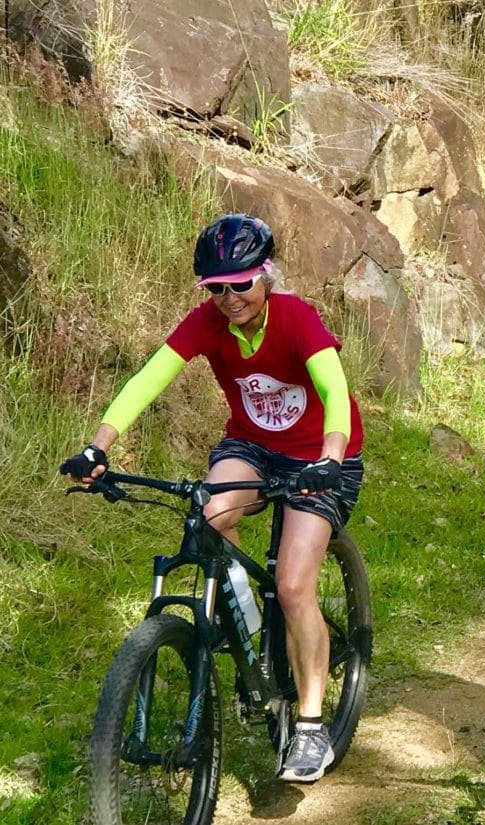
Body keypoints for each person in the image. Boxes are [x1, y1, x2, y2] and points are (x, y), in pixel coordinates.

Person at [60, 213, 365, 782]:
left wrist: (329, 453)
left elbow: (333, 389)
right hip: (252, 445)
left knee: (296, 583)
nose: (229, 298)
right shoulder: (207, 323)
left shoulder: (297, 318)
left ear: (265, 275)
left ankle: (310, 725)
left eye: (241, 284)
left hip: (322, 457)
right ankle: (247, 626)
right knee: (211, 514)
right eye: (215, 288)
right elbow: (149, 378)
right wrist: (97, 447)